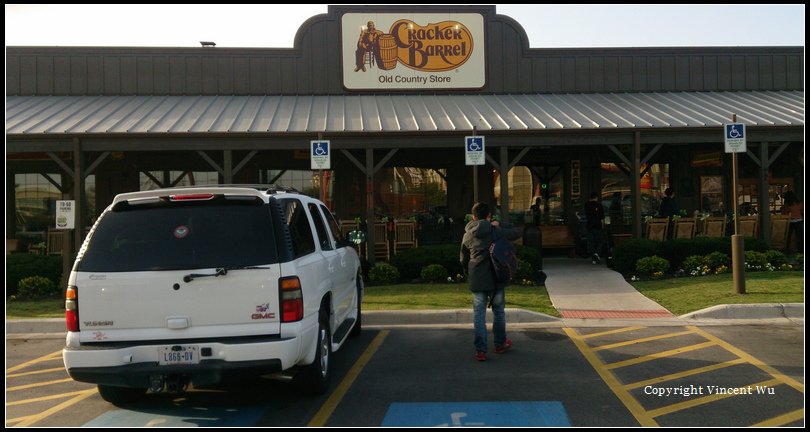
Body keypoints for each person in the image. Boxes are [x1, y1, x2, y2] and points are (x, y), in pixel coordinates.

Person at [459, 202, 519, 362]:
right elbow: (516, 232)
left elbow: (463, 259)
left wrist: (468, 273)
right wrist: (500, 224)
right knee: (498, 311)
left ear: (473, 217)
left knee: (479, 315)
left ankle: (481, 351)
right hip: (496, 277)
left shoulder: (467, 234)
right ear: (489, 216)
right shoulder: (495, 231)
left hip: (477, 278)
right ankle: (500, 344)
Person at [584, 192, 606, 264]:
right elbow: (602, 218)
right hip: (598, 225)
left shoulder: (586, 205)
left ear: (590, 198)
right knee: (601, 240)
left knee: (591, 242)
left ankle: (593, 257)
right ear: (596, 198)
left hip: (589, 225)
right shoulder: (599, 205)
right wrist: (603, 226)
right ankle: (597, 253)